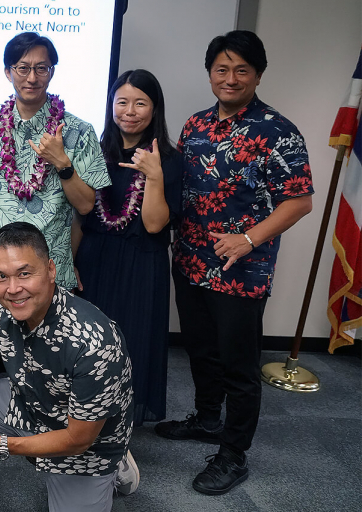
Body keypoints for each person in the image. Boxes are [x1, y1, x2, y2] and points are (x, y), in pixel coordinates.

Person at [158, 30, 313, 495]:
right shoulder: (195, 125)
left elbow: (299, 201)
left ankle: (233, 454)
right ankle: (207, 420)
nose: (230, 78)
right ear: (210, 74)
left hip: (241, 271)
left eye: (241, 70)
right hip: (190, 261)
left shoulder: (277, 130)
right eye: (221, 69)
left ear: (258, 74)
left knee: (239, 366)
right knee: (200, 350)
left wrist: (249, 239)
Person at [0, 222, 136, 512]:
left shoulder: (95, 342)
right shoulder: (0, 308)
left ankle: (116, 462)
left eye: (24, 274)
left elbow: (77, 440)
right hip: (29, 402)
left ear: (51, 270)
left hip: (86, 440)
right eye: (1, 276)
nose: (13, 289)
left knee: (91, 443)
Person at [0, 32, 110, 347]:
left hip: (48, 272)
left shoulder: (79, 131)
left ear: (52, 71)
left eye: (42, 68)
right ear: (8, 71)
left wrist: (62, 163)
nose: (32, 77)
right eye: (23, 68)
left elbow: (86, 206)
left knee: (49, 369)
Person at [75, 69, 181, 426]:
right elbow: (80, 212)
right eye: (122, 102)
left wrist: (154, 175)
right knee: (88, 344)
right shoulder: (96, 152)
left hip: (140, 263)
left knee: (130, 342)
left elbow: (153, 224)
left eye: (140, 103)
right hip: (95, 258)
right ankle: (82, 419)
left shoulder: (168, 159)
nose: (130, 111)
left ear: (155, 109)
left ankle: (118, 428)